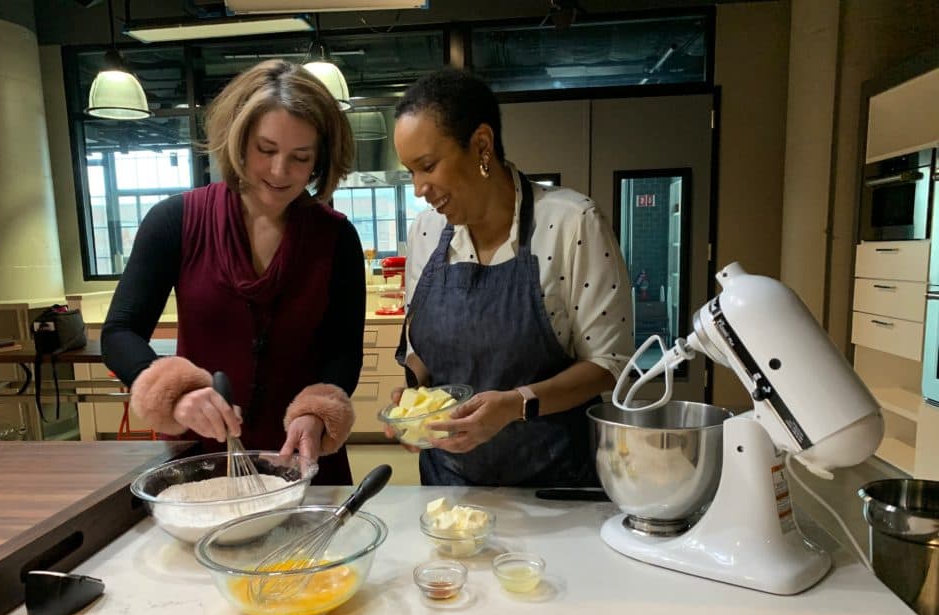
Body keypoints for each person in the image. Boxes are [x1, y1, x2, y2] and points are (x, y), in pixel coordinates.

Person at [101, 60, 365, 485]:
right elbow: (119, 333)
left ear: (319, 160)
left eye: (300, 157)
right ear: (238, 142)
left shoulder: (336, 238)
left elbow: (344, 349)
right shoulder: (174, 222)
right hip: (201, 460)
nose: (280, 172)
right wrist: (177, 395)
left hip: (302, 458)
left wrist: (318, 413)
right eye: (266, 150)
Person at [391, 68, 634, 487]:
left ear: (481, 145)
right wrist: (411, 399)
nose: (418, 188)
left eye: (427, 166)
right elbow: (424, 350)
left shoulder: (571, 224)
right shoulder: (426, 233)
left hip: (553, 487)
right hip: (450, 488)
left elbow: (608, 366)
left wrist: (515, 405)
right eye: (410, 172)